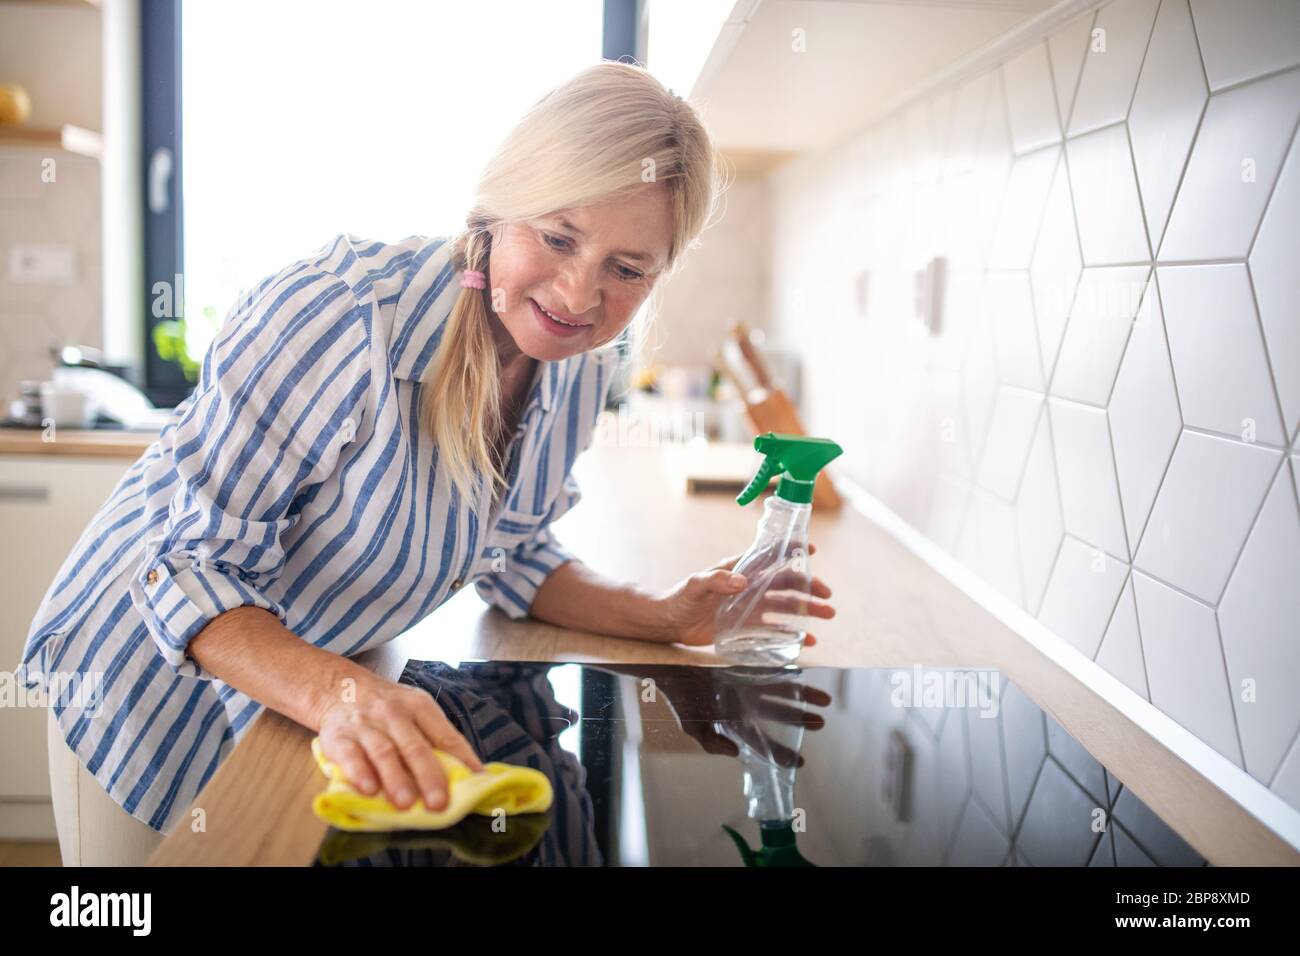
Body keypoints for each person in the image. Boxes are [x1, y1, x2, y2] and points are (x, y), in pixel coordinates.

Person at [19, 60, 835, 861]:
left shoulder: (579, 363)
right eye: (557, 237)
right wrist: (342, 693)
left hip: (312, 698)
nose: (580, 296)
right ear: (496, 210)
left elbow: (513, 558)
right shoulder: (339, 316)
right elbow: (180, 566)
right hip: (145, 693)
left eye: (627, 270)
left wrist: (665, 617)